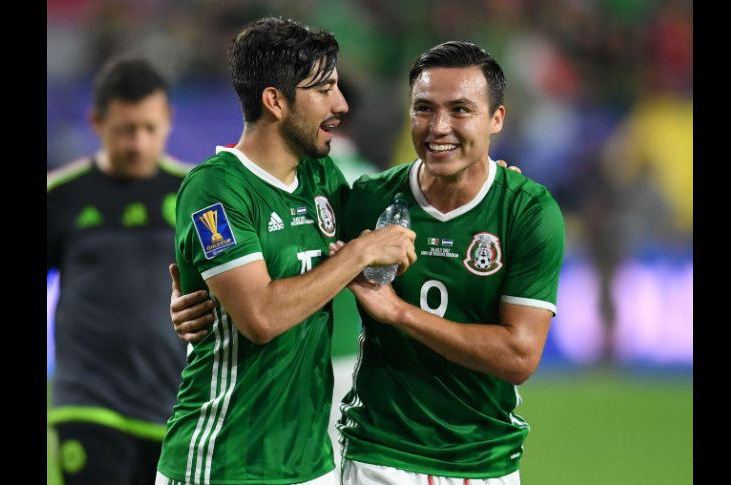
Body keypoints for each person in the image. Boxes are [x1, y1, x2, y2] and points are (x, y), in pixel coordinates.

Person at [171, 40, 560, 485]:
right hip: (317, 458)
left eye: (460, 111)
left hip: (368, 462)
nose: (439, 127)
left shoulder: (328, 182)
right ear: (276, 101)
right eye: (424, 109)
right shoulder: (362, 198)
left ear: (496, 119)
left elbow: (520, 356)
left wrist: (399, 311)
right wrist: (200, 300)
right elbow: (256, 303)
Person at [154, 17, 416, 485]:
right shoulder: (216, 188)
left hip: (310, 462)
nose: (341, 104)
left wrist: (483, 173)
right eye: (324, 90)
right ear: (274, 101)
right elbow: (260, 318)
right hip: (225, 462)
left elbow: (416, 196)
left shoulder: (322, 178)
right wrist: (357, 254)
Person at [47, 58, 190, 485]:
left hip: (175, 409)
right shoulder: (62, 197)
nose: (138, 143)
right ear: (96, 122)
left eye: (150, 128)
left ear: (169, 121)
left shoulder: (193, 195)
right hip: (88, 403)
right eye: (125, 130)